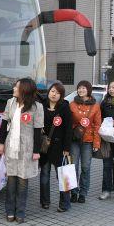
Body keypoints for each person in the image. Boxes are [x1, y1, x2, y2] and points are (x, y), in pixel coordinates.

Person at [0, 78, 44, 223]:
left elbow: (38, 131)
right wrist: (0, 143)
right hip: (11, 145)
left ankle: (21, 213)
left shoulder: (36, 107)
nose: (14, 89)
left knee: (23, 182)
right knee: (11, 181)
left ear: (24, 90)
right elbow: (4, 123)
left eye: (16, 87)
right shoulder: (10, 103)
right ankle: (10, 211)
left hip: (27, 148)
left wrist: (36, 151)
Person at [39, 82, 72, 212]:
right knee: (44, 175)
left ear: (61, 95)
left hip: (60, 148)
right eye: (52, 91)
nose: (54, 94)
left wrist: (67, 149)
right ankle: (45, 201)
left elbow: (68, 130)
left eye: (58, 93)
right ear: (49, 92)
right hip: (45, 147)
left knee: (63, 176)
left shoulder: (64, 108)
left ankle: (64, 203)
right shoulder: (41, 106)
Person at [69, 81, 101, 203]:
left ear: (88, 90)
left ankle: (83, 192)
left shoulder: (96, 106)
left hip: (88, 140)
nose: (81, 90)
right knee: (73, 167)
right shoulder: (72, 104)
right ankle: (73, 192)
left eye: (83, 88)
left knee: (86, 167)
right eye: (79, 88)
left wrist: (97, 143)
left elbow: (97, 125)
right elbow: (68, 123)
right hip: (74, 139)